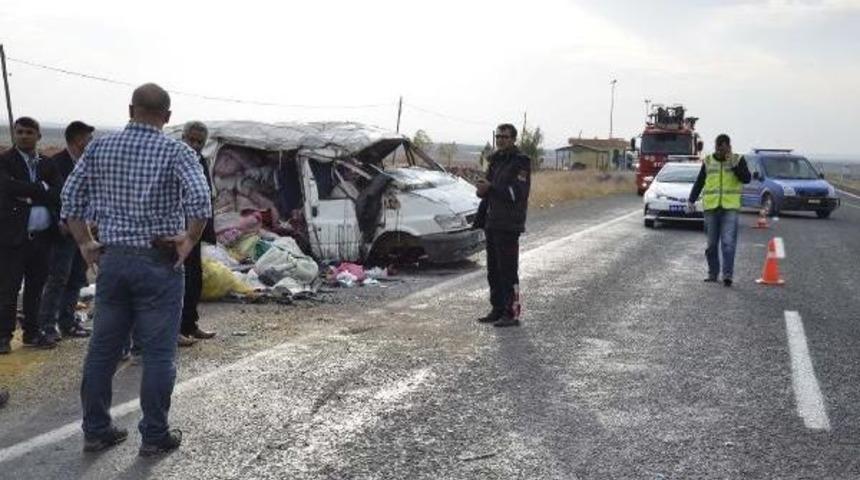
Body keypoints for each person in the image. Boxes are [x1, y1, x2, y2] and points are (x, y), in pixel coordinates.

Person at [62, 83, 212, 456]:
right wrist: (189, 239)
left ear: (130, 110)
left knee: (103, 350)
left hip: (113, 260)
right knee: (159, 354)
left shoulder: (99, 147)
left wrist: (85, 243)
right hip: (159, 262)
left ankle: (96, 430)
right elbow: (200, 200)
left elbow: (70, 198)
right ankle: (154, 435)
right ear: (168, 116)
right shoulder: (177, 151)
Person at [0, 117, 62, 353]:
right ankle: (3, 336)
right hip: (13, 238)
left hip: (42, 239)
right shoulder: (4, 161)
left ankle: (32, 332)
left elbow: (58, 193)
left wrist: (28, 194)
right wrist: (41, 189)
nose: (24, 136)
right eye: (19, 132)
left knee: (36, 288)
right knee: (8, 288)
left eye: (29, 132)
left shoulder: (48, 164)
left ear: (38, 135)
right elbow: (8, 188)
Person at [38, 121, 96, 343]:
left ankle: (67, 322)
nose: (91, 143)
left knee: (77, 278)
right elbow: (48, 197)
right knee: (57, 279)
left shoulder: (87, 164)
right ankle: (47, 326)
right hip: (61, 233)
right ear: (79, 140)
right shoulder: (55, 164)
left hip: (84, 232)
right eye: (89, 139)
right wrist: (59, 222)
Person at [474, 123, 531, 327]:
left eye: (505, 137)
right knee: (493, 270)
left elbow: (518, 193)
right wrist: (482, 189)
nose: (500, 140)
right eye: (498, 136)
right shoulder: (495, 160)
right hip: (492, 222)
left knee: (508, 271)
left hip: (509, 223)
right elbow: (488, 189)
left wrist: (491, 187)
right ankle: (497, 308)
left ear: (513, 139)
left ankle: (511, 312)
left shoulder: (521, 162)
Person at [687, 133, 751, 287]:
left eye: (723, 149)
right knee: (711, 245)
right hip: (711, 208)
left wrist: (733, 165)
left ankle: (727, 275)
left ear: (729, 147)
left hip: (730, 208)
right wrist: (691, 199)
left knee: (728, 243)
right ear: (715, 147)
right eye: (718, 148)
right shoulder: (709, 160)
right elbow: (700, 181)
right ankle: (713, 273)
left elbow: (746, 178)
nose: (720, 152)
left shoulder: (738, 160)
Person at [178, 121, 217, 346]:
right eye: (190, 140)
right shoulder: (176, 160)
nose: (194, 145)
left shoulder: (200, 161)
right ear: (183, 137)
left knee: (194, 281)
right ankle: (177, 329)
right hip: (179, 232)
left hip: (195, 232)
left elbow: (205, 199)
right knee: (179, 283)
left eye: (199, 142)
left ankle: (190, 325)